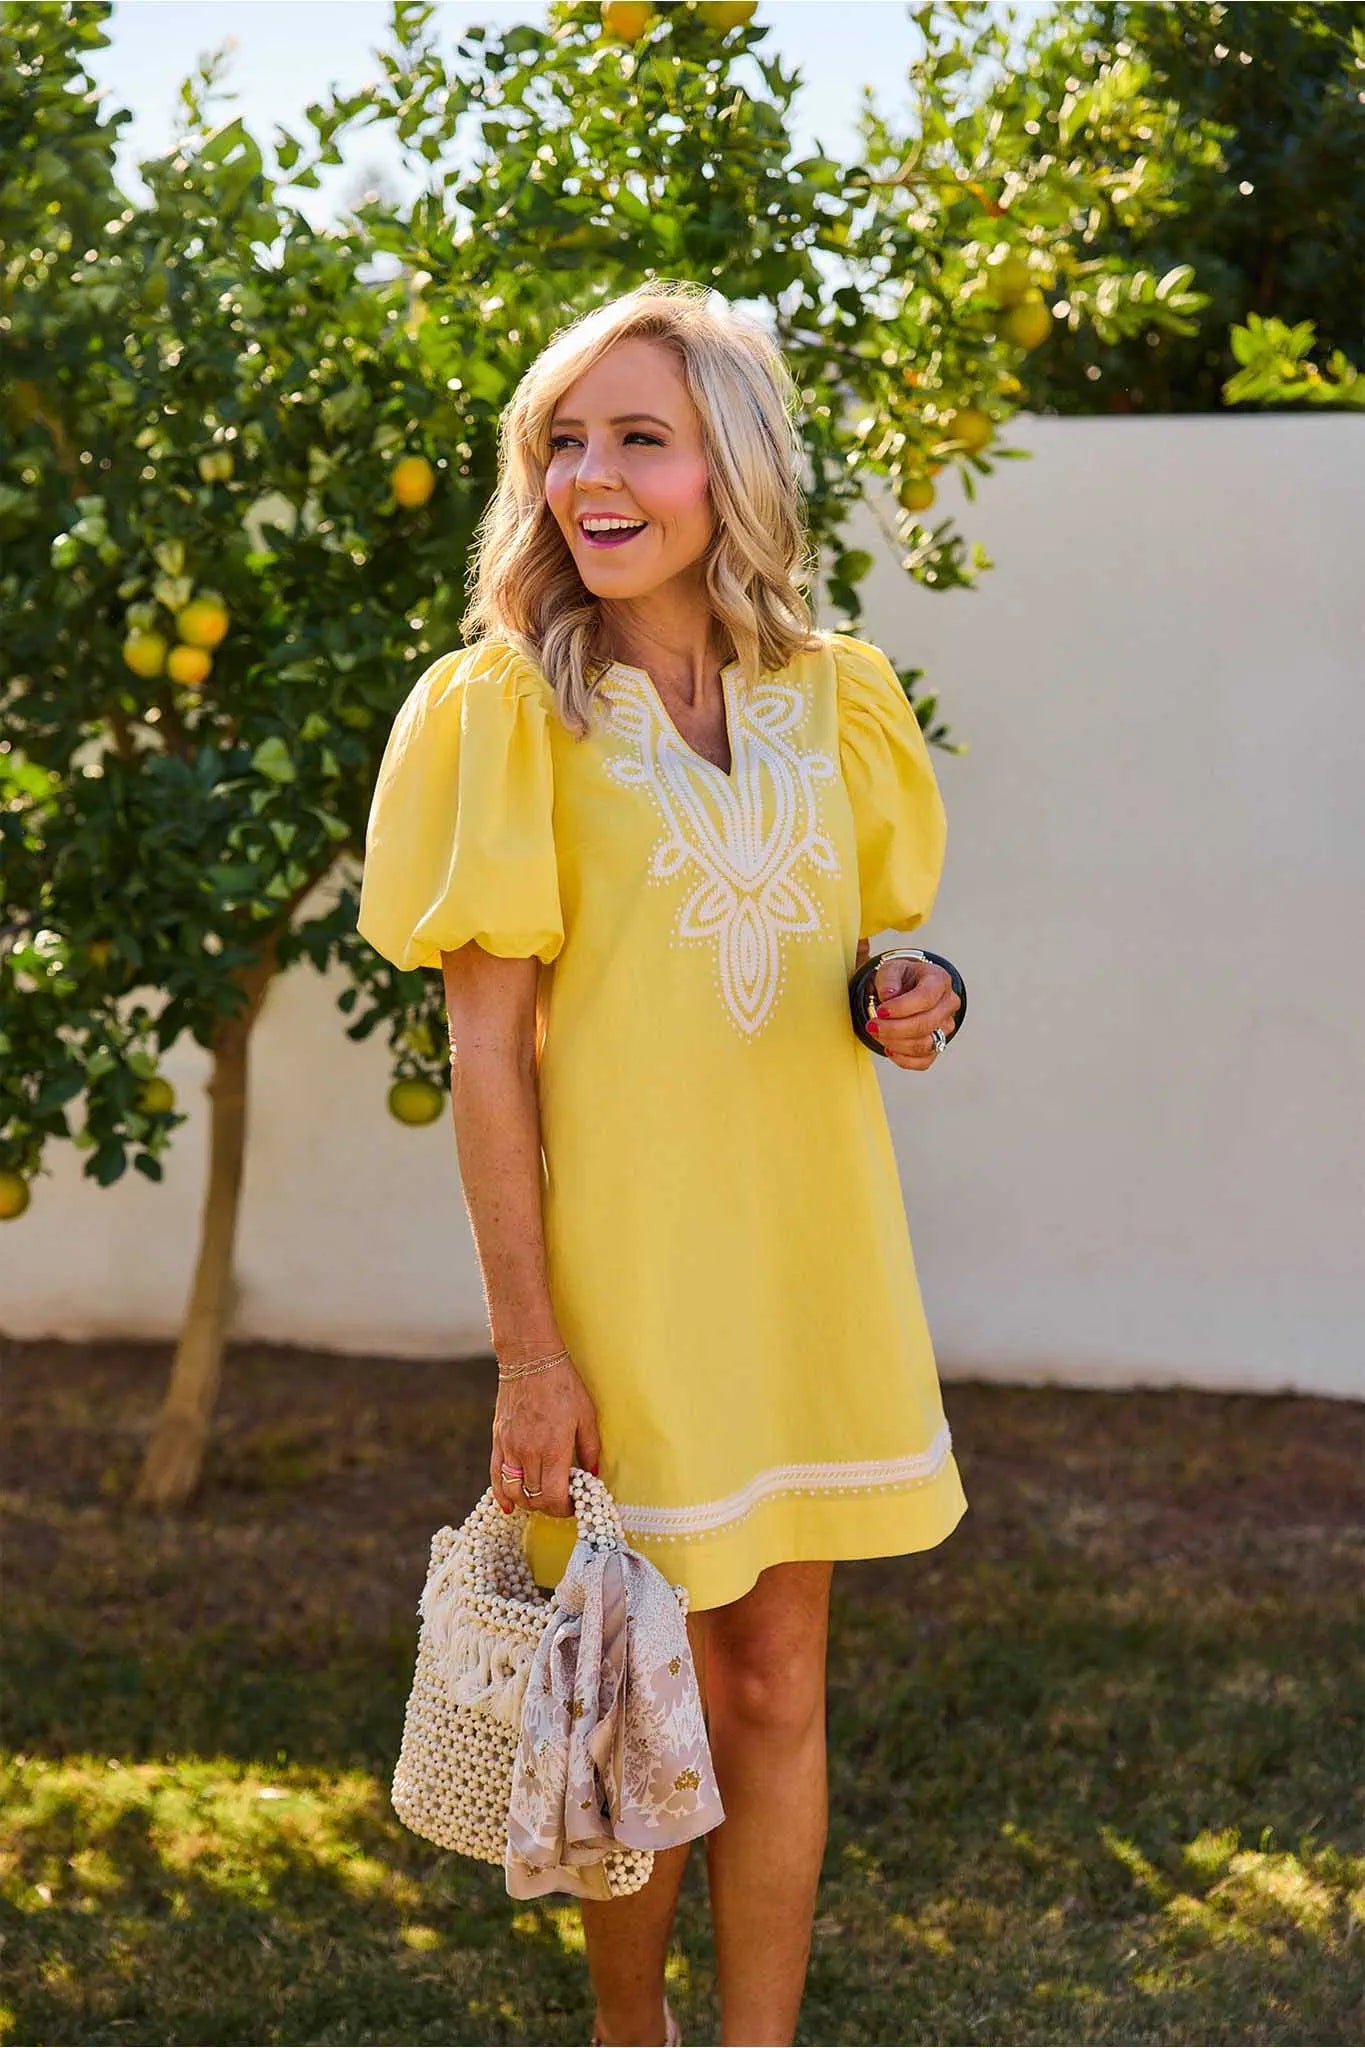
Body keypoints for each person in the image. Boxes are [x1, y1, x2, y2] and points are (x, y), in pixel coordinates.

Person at [357, 278, 967, 2048]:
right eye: (563, 440)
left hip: (807, 1262)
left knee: (772, 1685)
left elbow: (866, 958)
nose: (591, 479)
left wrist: (916, 995)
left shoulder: (835, 696)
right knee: (630, 1694)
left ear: (733, 466)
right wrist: (529, 1353)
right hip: (620, 1286)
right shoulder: (500, 713)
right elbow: (485, 1050)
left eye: (640, 438)